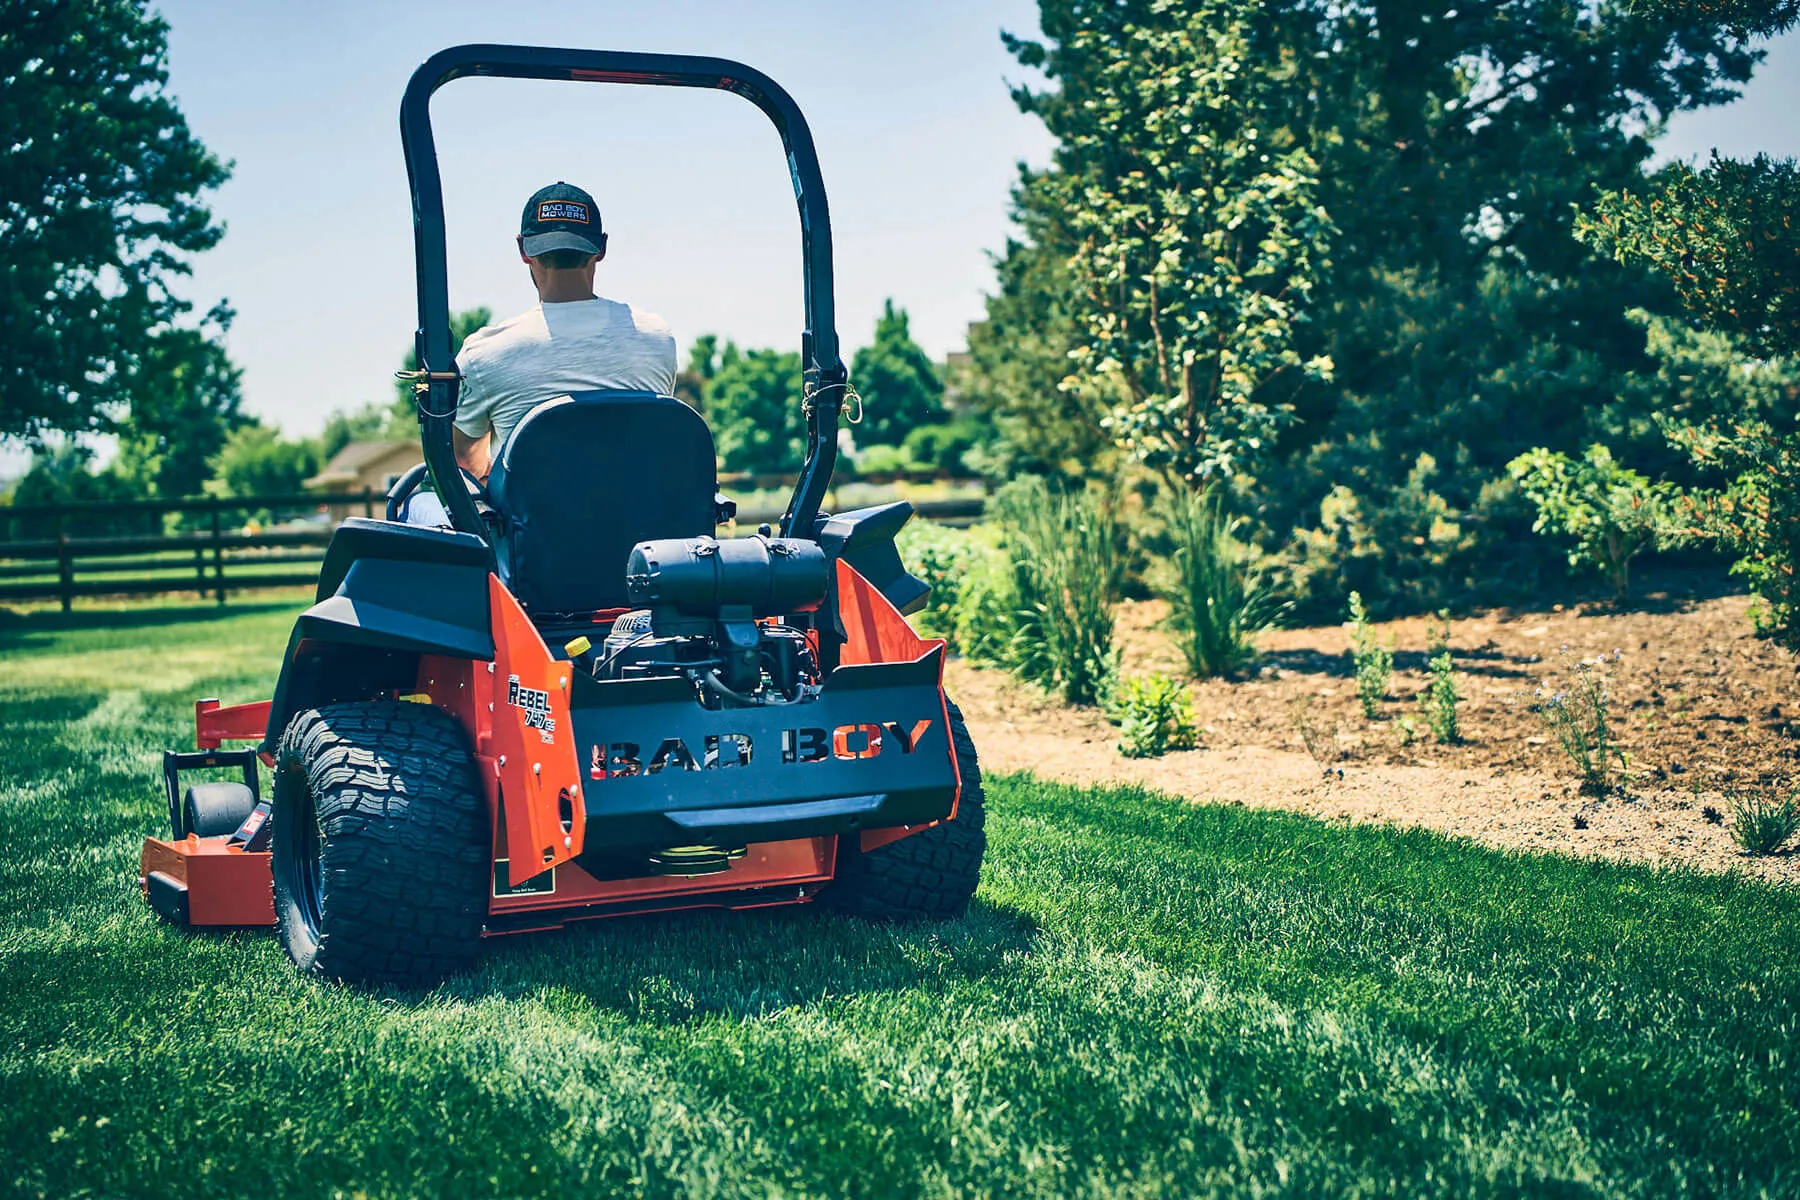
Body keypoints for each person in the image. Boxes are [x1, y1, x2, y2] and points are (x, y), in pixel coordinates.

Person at [406, 181, 676, 524]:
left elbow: (462, 467)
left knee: (416, 504)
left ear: (523, 250)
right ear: (601, 248)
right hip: (641, 547)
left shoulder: (485, 353)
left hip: (534, 560)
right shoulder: (656, 338)